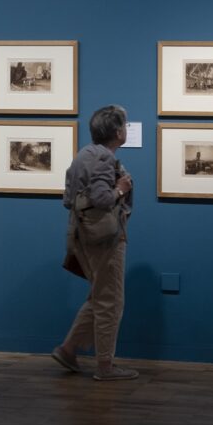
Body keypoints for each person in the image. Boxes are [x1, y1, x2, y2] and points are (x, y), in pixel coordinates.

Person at [52, 105, 137, 381]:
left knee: (100, 296)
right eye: (125, 125)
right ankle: (105, 366)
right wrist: (120, 189)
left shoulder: (83, 155)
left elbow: (67, 199)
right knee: (111, 301)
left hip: (82, 236)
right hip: (104, 239)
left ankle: (69, 349)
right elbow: (102, 198)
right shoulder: (103, 159)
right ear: (117, 131)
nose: (126, 129)